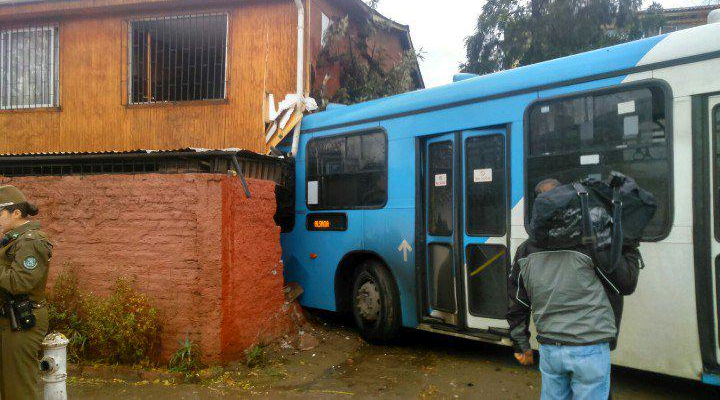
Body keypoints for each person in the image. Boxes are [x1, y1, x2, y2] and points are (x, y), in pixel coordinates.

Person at [507, 178, 641, 400]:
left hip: (550, 349)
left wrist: (521, 344)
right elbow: (625, 284)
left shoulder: (525, 251)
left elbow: (517, 301)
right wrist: (629, 245)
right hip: (589, 348)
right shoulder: (591, 243)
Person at [0, 185, 52, 400]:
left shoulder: (30, 241)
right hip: (9, 319)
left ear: (16, 213)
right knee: (8, 385)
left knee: (18, 389)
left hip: (22, 321)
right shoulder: (13, 239)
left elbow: (20, 281)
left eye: (0, 213)